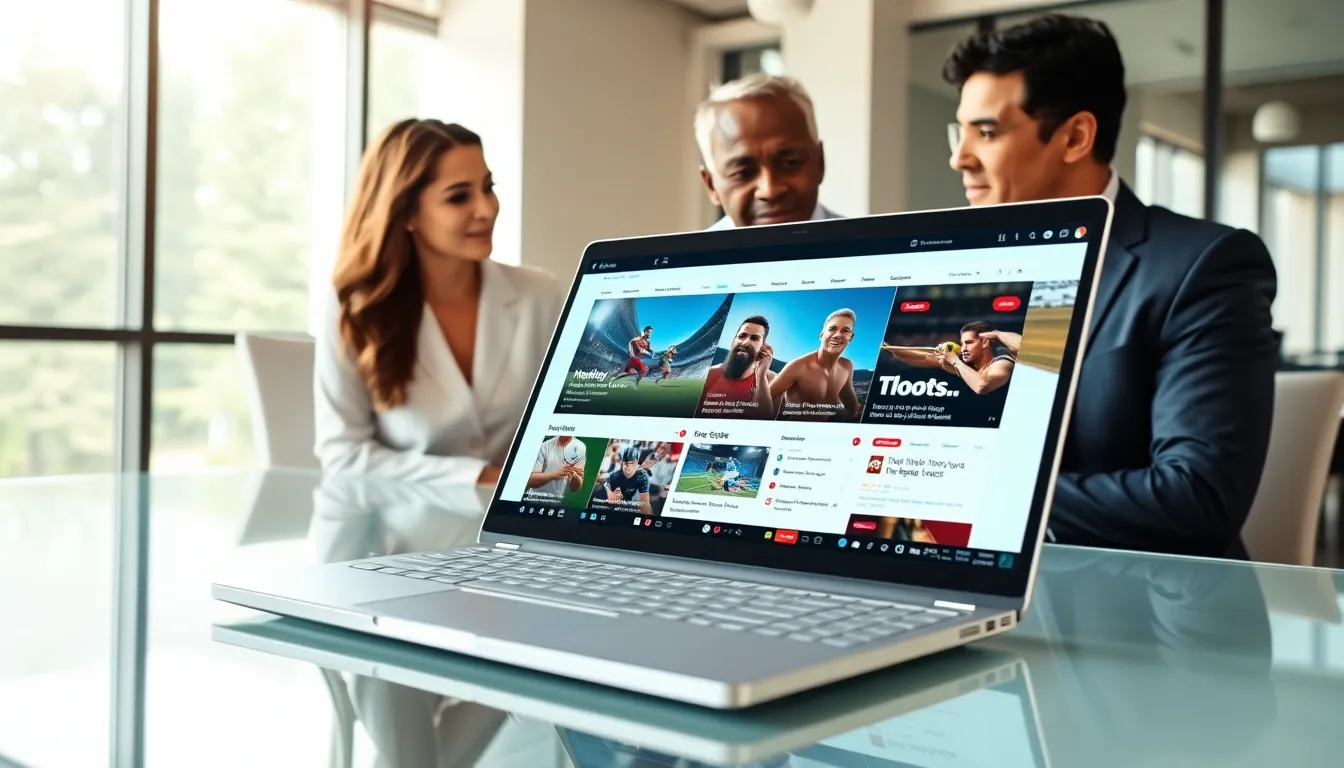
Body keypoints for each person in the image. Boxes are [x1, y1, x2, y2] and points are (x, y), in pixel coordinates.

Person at [943, 15, 1277, 558]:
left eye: (986, 132)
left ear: (1075, 136)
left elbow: (1197, 496)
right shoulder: (964, 270)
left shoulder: (1205, 266)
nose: (959, 157)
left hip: (1143, 612)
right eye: (958, 132)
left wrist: (979, 492)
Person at [314, 119, 565, 485]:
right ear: (408, 213)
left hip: (515, 532)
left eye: (488, 188)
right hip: (399, 534)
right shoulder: (356, 307)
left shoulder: (541, 295)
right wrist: (482, 477)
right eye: (458, 196)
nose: (486, 209)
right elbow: (343, 455)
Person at [694, 73, 843, 229]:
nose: (770, 190)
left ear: (820, 162)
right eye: (743, 173)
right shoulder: (691, 254)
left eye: (790, 164)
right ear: (711, 185)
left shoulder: (868, 248)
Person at [769, 308, 861, 419]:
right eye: (832, 329)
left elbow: (851, 405)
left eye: (845, 330)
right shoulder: (798, 367)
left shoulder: (847, 366)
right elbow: (763, 401)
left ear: (851, 337)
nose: (838, 335)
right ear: (821, 335)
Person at [882, 321, 1016, 396]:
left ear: (985, 343)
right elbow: (922, 357)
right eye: (962, 343)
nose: (963, 348)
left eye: (969, 343)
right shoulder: (968, 365)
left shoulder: (1002, 360)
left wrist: (997, 334)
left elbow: (981, 386)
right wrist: (891, 348)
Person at [698, 316, 778, 418]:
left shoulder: (771, 379)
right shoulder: (709, 375)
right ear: (733, 341)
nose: (745, 342)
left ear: (763, 347)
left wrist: (760, 376)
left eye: (754, 338)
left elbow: (766, 423)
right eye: (742, 336)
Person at [591, 446, 653, 515]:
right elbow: (606, 482)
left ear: (637, 464)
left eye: (631, 463)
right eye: (625, 463)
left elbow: (645, 502)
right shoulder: (616, 475)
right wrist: (609, 493)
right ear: (622, 463)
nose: (628, 467)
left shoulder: (642, 477)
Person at [525, 435, 586, 502]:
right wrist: (554, 475)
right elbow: (531, 481)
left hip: (555, 501)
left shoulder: (580, 447)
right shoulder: (544, 446)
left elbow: (574, 489)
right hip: (533, 499)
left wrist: (575, 477)